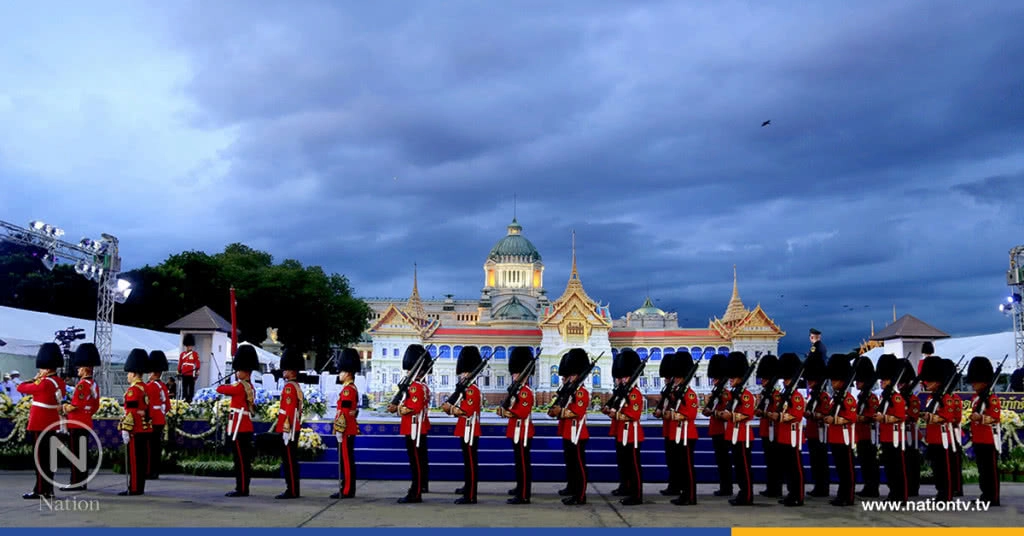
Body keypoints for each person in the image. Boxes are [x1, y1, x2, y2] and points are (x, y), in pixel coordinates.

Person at [17, 343, 66, 499]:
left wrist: (35, 378)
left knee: (40, 459)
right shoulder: (60, 382)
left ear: (45, 367)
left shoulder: (44, 382)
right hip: (52, 423)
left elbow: (22, 388)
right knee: (49, 459)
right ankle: (48, 489)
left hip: (40, 423)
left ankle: (40, 490)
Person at [388, 344, 430, 504]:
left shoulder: (416, 387)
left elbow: (413, 408)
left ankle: (416, 491)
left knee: (416, 462)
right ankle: (416, 488)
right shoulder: (417, 386)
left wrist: (396, 408)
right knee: (416, 460)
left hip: (414, 428)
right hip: (414, 427)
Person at [549, 348, 590, 506]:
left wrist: (561, 411)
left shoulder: (581, 392)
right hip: (568, 432)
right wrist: (555, 411)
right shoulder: (570, 391)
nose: (567, 378)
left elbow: (577, 412)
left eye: (572, 375)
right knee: (571, 464)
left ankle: (580, 495)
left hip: (577, 433)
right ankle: (573, 487)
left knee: (578, 465)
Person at [217, 345, 259, 497]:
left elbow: (222, 389)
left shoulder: (240, 386)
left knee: (240, 460)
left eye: (238, 370)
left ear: (244, 370)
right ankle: (242, 486)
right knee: (243, 460)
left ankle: (241, 488)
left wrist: (221, 383)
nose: (236, 372)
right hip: (244, 425)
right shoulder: (249, 386)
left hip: (239, 427)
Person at [442, 346, 482, 504]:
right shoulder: (466, 389)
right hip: (465, 429)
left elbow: (466, 411)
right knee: (467, 462)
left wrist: (450, 409)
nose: (462, 374)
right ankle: (468, 487)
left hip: (470, 430)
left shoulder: (472, 390)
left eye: (465, 372)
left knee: (471, 463)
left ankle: (471, 495)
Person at [605, 349, 644, 506]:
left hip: (632, 434)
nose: (620, 380)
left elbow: (633, 414)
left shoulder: (634, 394)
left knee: (633, 466)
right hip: (621, 433)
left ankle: (637, 494)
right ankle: (626, 487)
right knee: (623, 463)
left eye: (624, 377)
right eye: (619, 377)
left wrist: (616, 414)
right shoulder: (620, 393)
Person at [497, 346, 535, 505]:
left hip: (523, 431)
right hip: (516, 430)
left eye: (516, 372)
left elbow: (522, 412)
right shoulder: (517, 390)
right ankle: (520, 487)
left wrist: (506, 413)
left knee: (523, 464)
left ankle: (524, 494)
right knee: (519, 463)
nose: (513, 375)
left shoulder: (525, 391)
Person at [62, 343, 101, 492]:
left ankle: (75, 482)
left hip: (76, 422)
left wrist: (63, 407)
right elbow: (95, 405)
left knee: (75, 454)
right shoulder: (94, 384)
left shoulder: (81, 385)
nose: (77, 370)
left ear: (85, 369)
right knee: (82, 453)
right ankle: (82, 481)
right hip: (86, 421)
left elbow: (74, 406)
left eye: (79, 368)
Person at [770, 352, 806, 507]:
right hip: (783, 436)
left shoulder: (796, 396)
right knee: (788, 469)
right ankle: (792, 493)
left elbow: (795, 416)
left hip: (792, 436)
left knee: (795, 468)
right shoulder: (785, 394)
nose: (785, 382)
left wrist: (777, 416)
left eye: (787, 379)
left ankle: (798, 495)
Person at [719, 351, 755, 506]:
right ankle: (742, 493)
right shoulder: (735, 393)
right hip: (734, 434)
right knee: (739, 468)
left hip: (743, 435)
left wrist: (730, 416)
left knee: (744, 468)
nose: (730, 380)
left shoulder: (745, 395)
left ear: (740, 376)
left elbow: (747, 414)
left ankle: (747, 495)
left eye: (733, 377)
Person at [665, 351, 699, 506]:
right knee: (680, 466)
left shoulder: (689, 394)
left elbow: (690, 414)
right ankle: (684, 493)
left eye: (678, 377)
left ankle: (690, 495)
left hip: (686, 433)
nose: (675, 379)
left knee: (687, 468)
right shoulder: (676, 393)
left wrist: (674, 415)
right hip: (677, 433)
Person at [823, 354, 857, 506]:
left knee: (846, 469)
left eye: (834, 380)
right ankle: (841, 494)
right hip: (835, 437)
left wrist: (834, 420)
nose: (832, 382)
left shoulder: (848, 398)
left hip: (844, 436)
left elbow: (851, 417)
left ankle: (848, 496)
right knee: (840, 468)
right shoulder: (835, 397)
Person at [873, 354, 908, 503]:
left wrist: (884, 418)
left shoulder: (896, 397)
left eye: (884, 379)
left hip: (895, 438)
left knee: (898, 469)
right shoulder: (884, 397)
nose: (882, 382)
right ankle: (893, 493)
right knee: (889, 468)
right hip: (886, 436)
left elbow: (901, 417)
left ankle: (901, 495)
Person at [920, 355, 955, 501]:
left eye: (930, 380)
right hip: (933, 438)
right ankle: (940, 492)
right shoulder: (931, 398)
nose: (927, 383)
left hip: (943, 438)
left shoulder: (946, 398)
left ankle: (946, 494)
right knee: (937, 468)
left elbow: (947, 417)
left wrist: (931, 417)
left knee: (944, 468)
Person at [967, 356, 1001, 506]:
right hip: (978, 438)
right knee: (982, 470)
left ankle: (993, 496)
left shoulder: (991, 399)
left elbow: (994, 418)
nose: (973, 384)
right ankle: (985, 495)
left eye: (976, 381)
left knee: (990, 470)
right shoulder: (977, 398)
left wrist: (980, 418)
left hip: (988, 438)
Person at [119, 348, 152, 496]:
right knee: (141, 459)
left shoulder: (133, 390)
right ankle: (139, 487)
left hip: (136, 428)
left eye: (128, 373)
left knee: (134, 460)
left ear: (133, 373)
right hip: (145, 427)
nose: (127, 376)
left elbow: (131, 412)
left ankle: (134, 488)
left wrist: (126, 428)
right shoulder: (144, 387)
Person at [275, 348, 305, 499]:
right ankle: (293, 488)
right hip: (295, 426)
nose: (283, 371)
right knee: (291, 459)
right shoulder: (297, 386)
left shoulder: (289, 387)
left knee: (289, 460)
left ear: (292, 371)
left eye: (286, 369)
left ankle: (291, 489)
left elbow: (287, 411)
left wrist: (286, 429)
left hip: (289, 428)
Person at [331, 348, 361, 500]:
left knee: (346, 460)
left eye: (341, 371)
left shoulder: (348, 390)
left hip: (345, 429)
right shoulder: (348, 388)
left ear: (348, 372)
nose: (339, 374)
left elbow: (344, 411)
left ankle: (348, 489)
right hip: (346, 428)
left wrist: (339, 429)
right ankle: (346, 487)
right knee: (345, 459)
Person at [702, 353, 733, 497]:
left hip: (723, 431)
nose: (713, 380)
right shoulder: (715, 392)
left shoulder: (726, 394)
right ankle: (724, 486)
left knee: (724, 461)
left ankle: (727, 487)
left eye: (715, 378)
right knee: (721, 461)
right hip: (715, 430)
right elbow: (706, 412)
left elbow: (724, 412)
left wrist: (713, 411)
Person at [754, 354, 782, 498]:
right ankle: (771, 487)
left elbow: (776, 412)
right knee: (769, 462)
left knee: (775, 462)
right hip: (766, 430)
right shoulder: (764, 393)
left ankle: (776, 488)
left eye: (765, 378)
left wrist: (764, 412)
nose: (762, 381)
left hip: (775, 431)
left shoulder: (776, 395)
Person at [804, 352, 831, 497]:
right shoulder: (812, 395)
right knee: (815, 461)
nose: (809, 382)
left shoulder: (823, 396)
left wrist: (812, 415)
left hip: (820, 432)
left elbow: (825, 414)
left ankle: (823, 486)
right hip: (812, 432)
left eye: (812, 380)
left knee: (821, 461)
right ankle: (818, 486)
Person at [653, 352, 679, 497]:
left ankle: (677, 485)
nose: (665, 380)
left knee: (677, 461)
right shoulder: (668, 390)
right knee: (671, 460)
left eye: (668, 378)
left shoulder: (677, 391)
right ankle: (673, 484)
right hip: (668, 430)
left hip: (677, 431)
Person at [854, 357, 881, 498]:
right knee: (864, 463)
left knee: (870, 463)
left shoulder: (871, 397)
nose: (856, 383)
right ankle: (867, 486)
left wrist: (862, 417)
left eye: (858, 380)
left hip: (869, 435)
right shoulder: (862, 396)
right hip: (861, 434)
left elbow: (873, 415)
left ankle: (873, 487)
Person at [898, 359, 922, 497]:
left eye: (903, 383)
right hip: (899, 434)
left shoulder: (912, 399)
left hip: (910, 434)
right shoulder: (899, 397)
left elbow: (913, 415)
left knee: (912, 462)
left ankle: (913, 487)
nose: (901, 385)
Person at [145, 350, 171, 480]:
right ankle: (155, 470)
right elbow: (168, 406)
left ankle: (150, 471)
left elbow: (146, 405)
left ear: (153, 372)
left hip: (152, 419)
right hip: (160, 418)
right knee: (156, 447)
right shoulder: (163, 386)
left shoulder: (149, 386)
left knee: (150, 448)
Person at [178, 334, 201, 402]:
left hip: (191, 373)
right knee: (184, 388)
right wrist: (179, 371)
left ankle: (190, 400)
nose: (189, 347)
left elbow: (197, 362)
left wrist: (197, 370)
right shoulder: (182, 354)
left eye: (190, 346)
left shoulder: (195, 354)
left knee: (191, 388)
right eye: (188, 346)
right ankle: (184, 400)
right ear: (186, 346)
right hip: (184, 373)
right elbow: (180, 363)